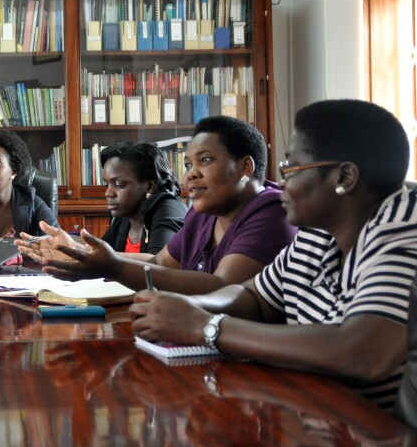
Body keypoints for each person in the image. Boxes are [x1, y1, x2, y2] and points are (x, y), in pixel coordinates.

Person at [126, 100, 417, 410]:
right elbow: (256, 297)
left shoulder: (403, 226)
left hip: (384, 440)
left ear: (344, 177)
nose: (280, 183)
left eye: (290, 169)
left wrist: (204, 326)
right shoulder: (319, 230)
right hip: (322, 417)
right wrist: (185, 308)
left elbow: (362, 352)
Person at [19, 116, 296, 294]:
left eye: (206, 160)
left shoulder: (271, 211)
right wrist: (78, 251)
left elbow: (222, 287)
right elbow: (158, 262)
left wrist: (113, 266)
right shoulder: (205, 213)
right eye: (188, 164)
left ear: (246, 167)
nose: (191, 174)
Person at [96, 142, 186, 254]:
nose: (108, 193)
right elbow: (100, 249)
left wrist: (102, 256)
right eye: (107, 184)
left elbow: (159, 264)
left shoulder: (170, 207)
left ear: (150, 186)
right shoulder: (123, 217)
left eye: (119, 185)